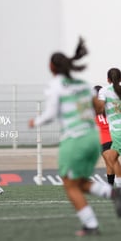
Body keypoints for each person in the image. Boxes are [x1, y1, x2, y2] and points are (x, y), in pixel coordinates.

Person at [28, 38, 121, 236]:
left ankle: (91, 224)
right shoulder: (84, 85)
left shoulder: (56, 85)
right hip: (92, 138)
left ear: (52, 67)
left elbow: (51, 114)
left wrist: (34, 122)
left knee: (69, 184)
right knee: (77, 182)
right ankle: (113, 193)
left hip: (75, 138)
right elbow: (98, 107)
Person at [94, 68, 121, 188]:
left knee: (112, 160)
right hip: (113, 134)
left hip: (113, 134)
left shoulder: (103, 93)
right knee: (111, 159)